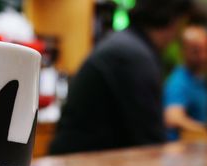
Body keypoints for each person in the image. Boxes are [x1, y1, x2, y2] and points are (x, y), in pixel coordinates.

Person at [49, 0, 193, 154]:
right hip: (79, 165)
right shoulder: (134, 55)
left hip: (82, 160)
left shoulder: (128, 44)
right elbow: (151, 140)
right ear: (172, 20)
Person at [163, 25, 207, 141]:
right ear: (183, 52)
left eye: (205, 50)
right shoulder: (178, 82)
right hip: (181, 153)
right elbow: (172, 118)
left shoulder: (200, 79)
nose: (203, 56)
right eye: (196, 51)